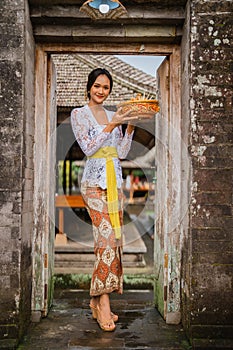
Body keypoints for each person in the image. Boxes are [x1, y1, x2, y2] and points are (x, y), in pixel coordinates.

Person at [71, 68, 135, 332]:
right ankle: (104, 303)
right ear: (89, 87)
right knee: (106, 240)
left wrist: (129, 124)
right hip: (94, 184)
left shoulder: (113, 115)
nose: (101, 91)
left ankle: (97, 299)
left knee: (111, 242)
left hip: (114, 183)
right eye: (97, 86)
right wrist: (112, 124)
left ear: (110, 90)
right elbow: (88, 147)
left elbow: (120, 152)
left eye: (105, 88)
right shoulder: (79, 114)